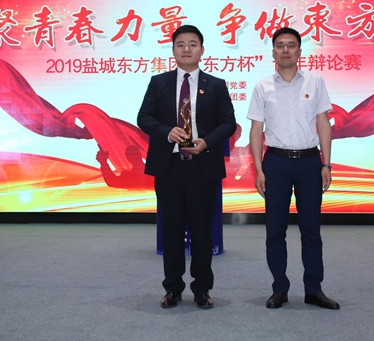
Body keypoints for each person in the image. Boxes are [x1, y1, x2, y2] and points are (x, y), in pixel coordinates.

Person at [137, 25, 236, 309]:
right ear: (173, 50)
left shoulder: (216, 85)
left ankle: (202, 288)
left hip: (202, 167)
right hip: (169, 167)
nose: (187, 49)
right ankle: (173, 288)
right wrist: (167, 132)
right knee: (172, 230)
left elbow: (228, 123)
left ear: (202, 50)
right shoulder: (159, 82)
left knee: (202, 232)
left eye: (193, 44)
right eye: (180, 44)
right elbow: (144, 118)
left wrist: (207, 141)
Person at [247, 27, 340, 310]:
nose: (285, 50)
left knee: (311, 229)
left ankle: (314, 289)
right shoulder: (262, 87)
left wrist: (326, 163)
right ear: (273, 52)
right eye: (280, 45)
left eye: (290, 45)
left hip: (310, 162)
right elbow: (256, 131)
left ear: (299, 51)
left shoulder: (315, 81)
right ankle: (280, 288)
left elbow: (323, 123)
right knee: (275, 230)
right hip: (275, 163)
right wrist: (259, 169)